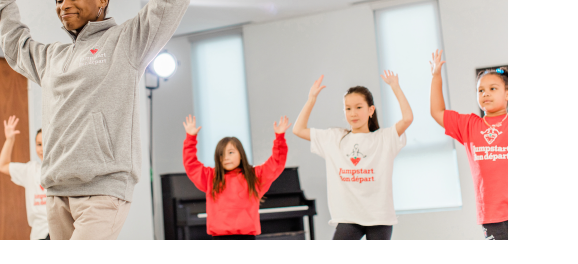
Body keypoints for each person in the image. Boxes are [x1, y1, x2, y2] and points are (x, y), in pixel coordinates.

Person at [0, 0, 190, 240]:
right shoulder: (53, 56)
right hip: (57, 189)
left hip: (103, 189)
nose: (63, 4)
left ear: (101, 0)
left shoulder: (127, 42)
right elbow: (16, 44)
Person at [293, 73, 413, 240]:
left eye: (358, 107)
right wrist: (311, 99)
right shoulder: (335, 138)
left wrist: (395, 87)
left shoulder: (383, 139)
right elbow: (298, 129)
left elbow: (407, 119)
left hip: (379, 217)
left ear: (371, 110)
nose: (353, 113)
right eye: (348, 108)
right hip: (349, 217)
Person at [429, 50, 509, 240]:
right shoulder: (469, 125)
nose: (485, 94)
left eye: (493, 89)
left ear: (507, 94)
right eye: (480, 90)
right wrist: (435, 76)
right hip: (492, 216)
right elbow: (437, 111)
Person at [181, 115, 289, 240]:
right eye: (221, 154)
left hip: (246, 237)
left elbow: (276, 162)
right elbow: (191, 165)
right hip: (220, 237)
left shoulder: (254, 176)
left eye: (231, 152)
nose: (226, 157)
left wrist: (279, 138)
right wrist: (190, 138)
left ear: (241, 155)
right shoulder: (211, 177)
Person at [0, 115, 49, 240]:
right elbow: (2, 165)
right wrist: (10, 140)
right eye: (39, 144)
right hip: (38, 234)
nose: (42, 149)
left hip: (59, 233)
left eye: (45, 144)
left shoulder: (61, 171)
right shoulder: (30, 170)